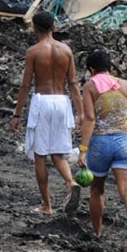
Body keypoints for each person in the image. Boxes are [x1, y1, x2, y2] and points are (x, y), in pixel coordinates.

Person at [11, 11, 84, 216]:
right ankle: (70, 182)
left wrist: (17, 114)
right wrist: (80, 113)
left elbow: (26, 85)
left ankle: (47, 206)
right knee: (58, 153)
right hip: (62, 102)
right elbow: (73, 84)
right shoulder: (66, 50)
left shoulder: (33, 52)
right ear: (53, 26)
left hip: (42, 102)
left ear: (35, 28)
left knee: (40, 155)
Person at [76, 50, 127, 252]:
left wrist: (83, 149)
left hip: (101, 143)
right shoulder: (126, 85)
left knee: (96, 190)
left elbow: (90, 119)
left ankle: (98, 233)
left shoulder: (90, 85)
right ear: (110, 67)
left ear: (91, 69)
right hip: (126, 141)